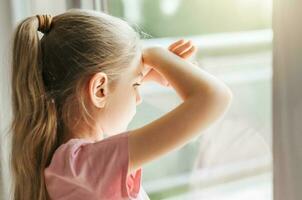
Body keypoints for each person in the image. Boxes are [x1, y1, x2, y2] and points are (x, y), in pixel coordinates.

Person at [9, 8, 233, 200]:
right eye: (136, 85)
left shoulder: (74, 167)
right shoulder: (88, 165)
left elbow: (113, 90)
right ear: (99, 90)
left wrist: (143, 72)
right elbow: (215, 98)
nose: (139, 97)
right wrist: (154, 54)